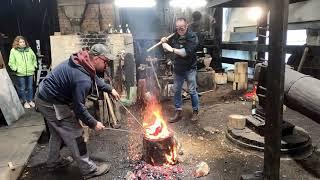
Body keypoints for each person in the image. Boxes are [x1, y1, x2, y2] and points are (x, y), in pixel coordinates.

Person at [35, 44, 120, 179]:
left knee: (57, 132)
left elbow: (94, 77)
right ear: (96, 58)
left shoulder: (84, 62)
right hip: (51, 102)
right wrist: (93, 123)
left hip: (45, 96)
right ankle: (89, 169)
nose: (107, 65)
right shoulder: (82, 79)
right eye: (106, 61)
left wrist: (109, 89)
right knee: (75, 132)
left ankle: (53, 162)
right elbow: (79, 107)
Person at [161, 18, 200, 123]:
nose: (179, 30)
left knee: (192, 90)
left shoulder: (192, 37)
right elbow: (166, 45)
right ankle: (178, 111)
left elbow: (184, 53)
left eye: (182, 27)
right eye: (177, 28)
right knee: (177, 90)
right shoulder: (175, 36)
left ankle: (195, 111)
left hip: (190, 68)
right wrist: (164, 41)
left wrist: (171, 49)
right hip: (178, 68)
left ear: (186, 26)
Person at [8, 36, 37, 109]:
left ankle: (30, 100)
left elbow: (34, 58)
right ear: (17, 43)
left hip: (30, 72)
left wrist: (34, 66)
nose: (22, 43)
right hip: (20, 73)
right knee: (22, 88)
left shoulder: (29, 50)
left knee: (30, 87)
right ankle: (25, 102)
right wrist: (16, 69)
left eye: (23, 42)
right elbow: (11, 62)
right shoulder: (13, 51)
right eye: (20, 42)